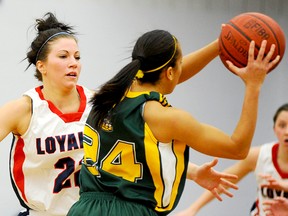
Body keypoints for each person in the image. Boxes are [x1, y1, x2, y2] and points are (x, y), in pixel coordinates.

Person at [67, 29, 279, 216]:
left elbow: (172, 74)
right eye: (178, 64)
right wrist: (253, 86)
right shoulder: (165, 117)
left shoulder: (113, 93)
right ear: (169, 72)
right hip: (131, 210)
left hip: (84, 208)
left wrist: (221, 45)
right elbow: (238, 148)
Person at [0, 12, 94, 215]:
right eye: (63, 56)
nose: (73, 63)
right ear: (41, 66)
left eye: (77, 57)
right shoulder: (24, 109)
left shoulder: (97, 103)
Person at [176, 103, 288, 216]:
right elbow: (224, 180)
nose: (287, 132)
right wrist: (192, 209)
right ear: (274, 129)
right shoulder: (259, 155)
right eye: (282, 125)